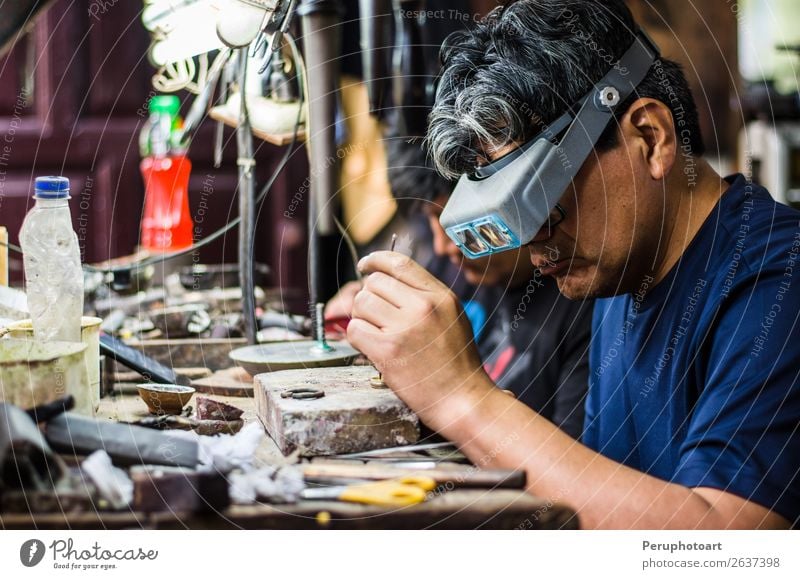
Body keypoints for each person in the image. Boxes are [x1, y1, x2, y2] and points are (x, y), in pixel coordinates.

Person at [346, 0, 800, 529]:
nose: (533, 246)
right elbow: (602, 494)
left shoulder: (778, 278)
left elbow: (727, 548)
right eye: (507, 220)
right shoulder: (617, 272)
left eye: (542, 204)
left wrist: (463, 398)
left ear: (650, 138)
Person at [329, 137, 592, 438]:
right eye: (433, 221)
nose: (444, 247)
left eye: (457, 223)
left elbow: (569, 468)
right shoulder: (447, 271)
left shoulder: (581, 304)